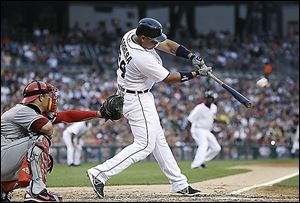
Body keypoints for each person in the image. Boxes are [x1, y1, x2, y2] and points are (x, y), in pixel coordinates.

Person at [87, 17, 212, 198]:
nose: (156, 43)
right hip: (135, 98)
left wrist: (191, 56)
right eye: (153, 40)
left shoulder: (131, 35)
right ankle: (100, 173)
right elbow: (169, 79)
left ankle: (179, 183)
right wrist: (196, 74)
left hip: (138, 95)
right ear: (143, 38)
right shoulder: (141, 57)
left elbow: (167, 45)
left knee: (158, 140)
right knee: (144, 145)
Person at [1, 80, 106, 202]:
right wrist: (48, 131)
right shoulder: (23, 110)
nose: (52, 98)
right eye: (48, 95)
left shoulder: (31, 112)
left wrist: (99, 114)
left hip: (5, 158)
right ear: (40, 98)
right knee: (39, 139)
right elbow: (47, 128)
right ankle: (36, 192)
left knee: (45, 160)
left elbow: (67, 116)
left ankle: (3, 190)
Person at [187, 91, 223, 169]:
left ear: (213, 99)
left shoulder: (214, 107)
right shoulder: (199, 108)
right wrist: (189, 133)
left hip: (207, 130)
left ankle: (202, 161)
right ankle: (195, 165)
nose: (209, 99)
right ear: (205, 98)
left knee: (216, 148)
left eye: (210, 98)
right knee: (203, 145)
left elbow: (212, 118)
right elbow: (190, 120)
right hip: (198, 129)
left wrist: (221, 121)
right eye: (207, 98)